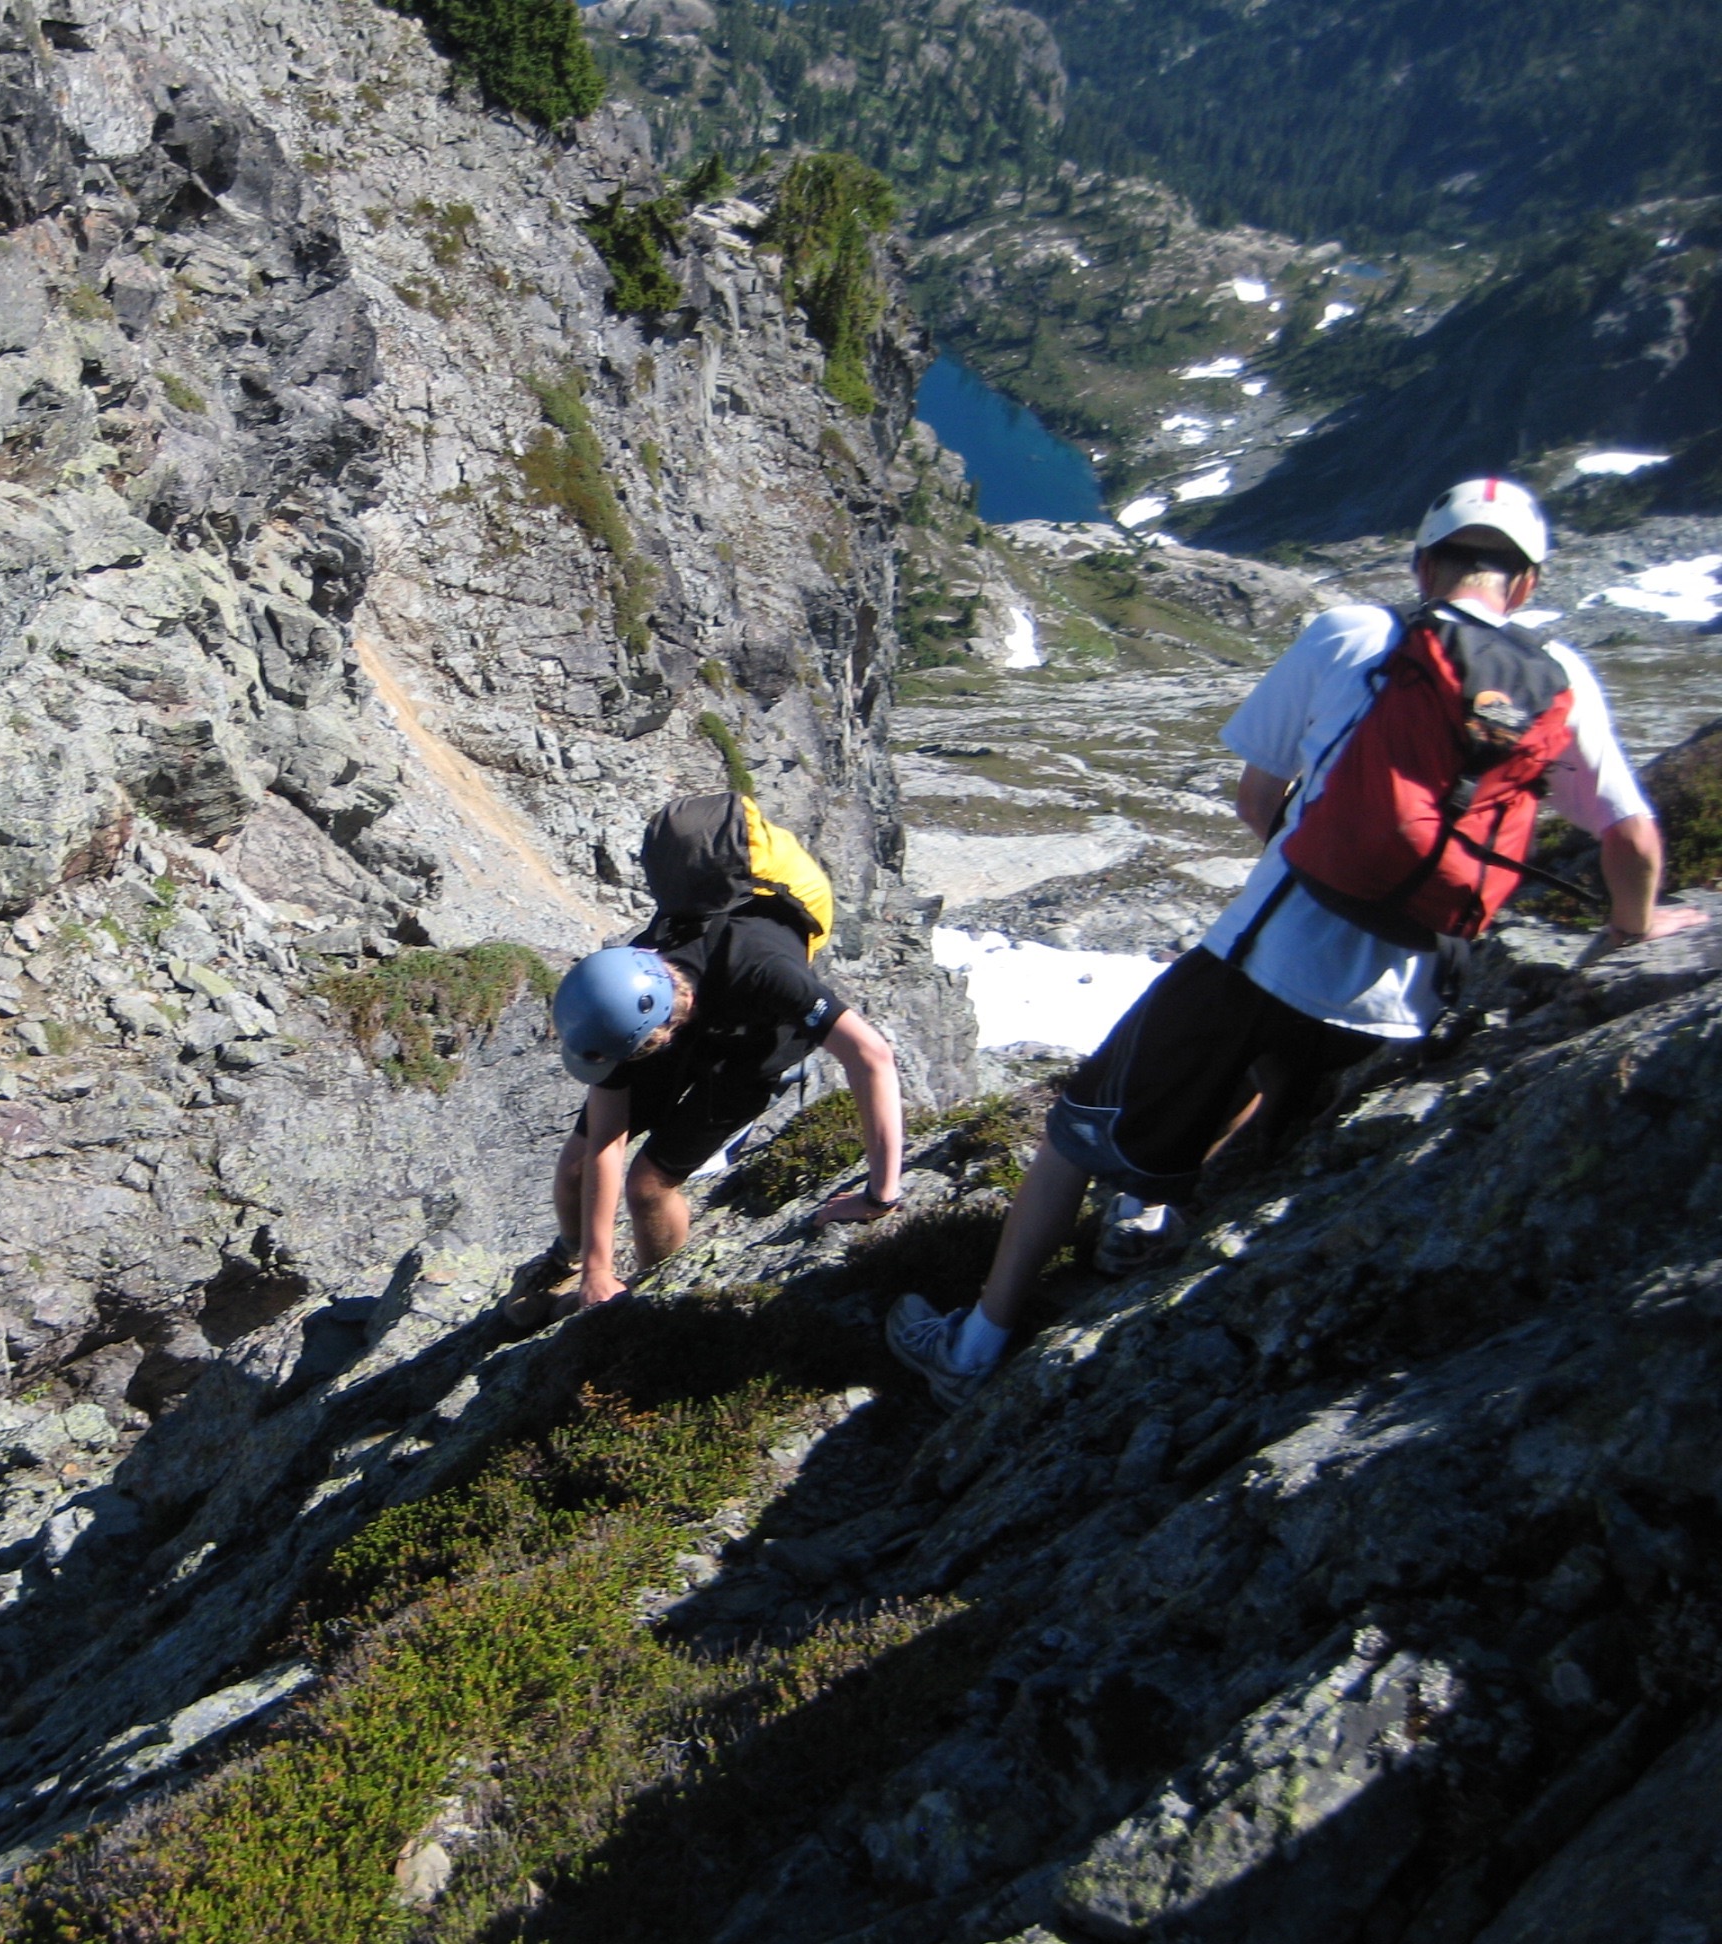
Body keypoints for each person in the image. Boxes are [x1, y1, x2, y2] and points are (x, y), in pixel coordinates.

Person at [885, 476, 1707, 1408]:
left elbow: (1253, 797)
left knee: (1077, 1131)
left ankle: (975, 1345)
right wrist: (1632, 933)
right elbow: (1632, 840)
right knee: (1270, 1125)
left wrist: (1316, 860)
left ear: (1424, 564)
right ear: (1522, 583)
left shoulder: (1354, 634)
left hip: (1266, 952)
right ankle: (1149, 1222)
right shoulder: (1559, 679)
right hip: (1409, 1003)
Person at [541, 904, 907, 1319]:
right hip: (686, 1020)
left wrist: (879, 1197)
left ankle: (655, 1296)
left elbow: (872, 1055)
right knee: (576, 1163)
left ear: (657, 1034)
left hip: (751, 1055)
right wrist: (596, 1267)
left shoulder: (767, 972)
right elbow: (606, 1139)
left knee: (648, 1188)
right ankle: (566, 1264)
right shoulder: (623, 992)